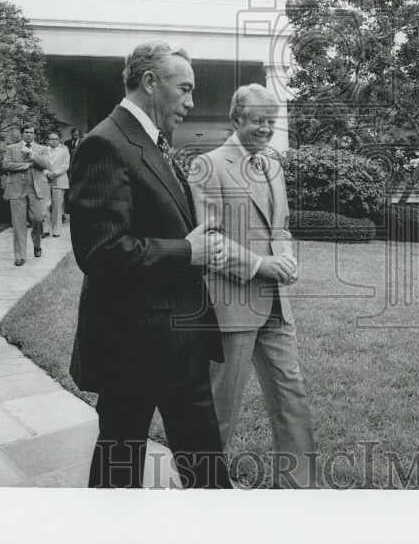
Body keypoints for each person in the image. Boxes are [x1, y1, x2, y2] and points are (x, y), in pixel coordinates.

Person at [68, 40, 231, 489]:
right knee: (122, 466)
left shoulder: (147, 141)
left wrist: (199, 243)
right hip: (133, 347)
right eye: (184, 90)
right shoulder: (105, 143)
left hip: (177, 343)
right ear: (149, 82)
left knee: (200, 463)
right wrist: (187, 252)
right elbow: (100, 252)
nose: (191, 102)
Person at [189, 83, 315, 488]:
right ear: (236, 118)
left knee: (291, 393)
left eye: (272, 123)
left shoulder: (273, 165)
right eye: (259, 121)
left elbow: (281, 226)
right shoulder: (207, 165)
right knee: (222, 406)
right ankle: (203, 491)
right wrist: (264, 265)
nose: (266, 129)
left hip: (277, 306)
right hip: (231, 306)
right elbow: (207, 241)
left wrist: (288, 258)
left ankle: (300, 489)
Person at [2, 125, 51, 266]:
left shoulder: (41, 149)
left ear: (35, 135)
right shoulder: (12, 148)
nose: (29, 135)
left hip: (36, 189)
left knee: (38, 218)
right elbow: (6, 165)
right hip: (17, 189)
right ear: (22, 134)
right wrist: (25, 166)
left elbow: (46, 165)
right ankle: (20, 255)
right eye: (26, 132)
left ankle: (37, 244)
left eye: (32, 133)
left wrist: (31, 155)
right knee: (18, 223)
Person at [42, 130, 70, 238]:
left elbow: (66, 165)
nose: (53, 141)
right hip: (45, 179)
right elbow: (40, 163)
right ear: (47, 140)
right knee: (45, 205)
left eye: (55, 139)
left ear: (59, 140)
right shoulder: (43, 150)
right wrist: (47, 173)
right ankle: (45, 229)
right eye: (51, 139)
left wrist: (55, 173)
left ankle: (56, 230)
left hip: (59, 179)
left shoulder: (64, 150)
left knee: (57, 206)